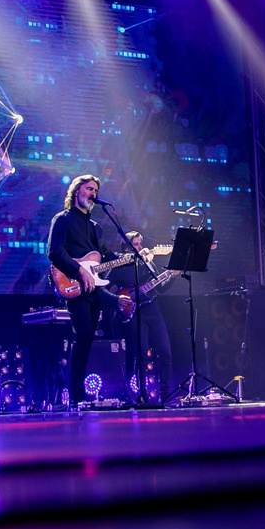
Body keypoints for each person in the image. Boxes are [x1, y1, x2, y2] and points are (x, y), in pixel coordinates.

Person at [46, 175, 109, 408]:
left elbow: (107, 256)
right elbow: (54, 251)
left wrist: (134, 257)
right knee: (83, 336)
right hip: (74, 285)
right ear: (76, 191)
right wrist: (79, 270)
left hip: (93, 290)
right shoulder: (62, 219)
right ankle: (76, 395)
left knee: (88, 338)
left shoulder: (95, 228)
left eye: (96, 190)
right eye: (89, 189)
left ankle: (79, 394)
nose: (93, 193)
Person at [109, 229, 174, 401]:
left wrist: (173, 275)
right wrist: (116, 299)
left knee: (165, 351)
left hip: (153, 309)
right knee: (142, 355)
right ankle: (142, 394)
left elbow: (161, 287)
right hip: (135, 313)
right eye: (135, 245)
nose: (140, 247)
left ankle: (165, 394)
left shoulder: (148, 263)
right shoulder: (118, 267)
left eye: (140, 244)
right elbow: (103, 287)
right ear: (126, 248)